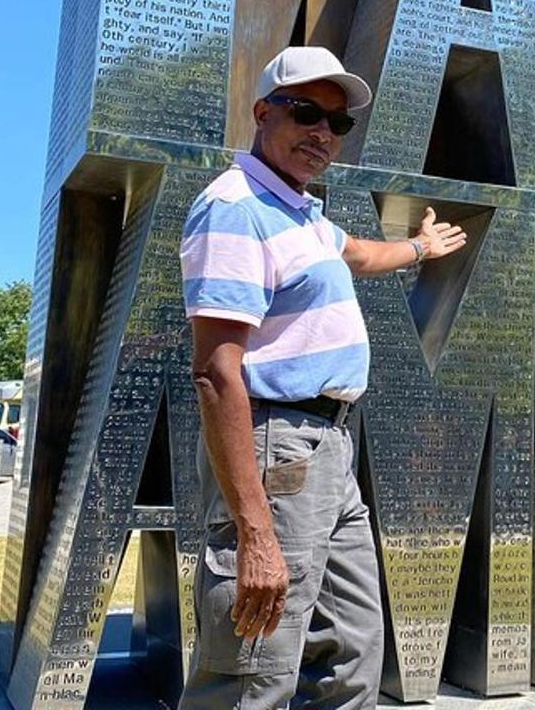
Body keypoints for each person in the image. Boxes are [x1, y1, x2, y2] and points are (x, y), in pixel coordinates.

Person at [178, 46, 467, 710]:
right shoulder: (236, 207)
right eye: (306, 112)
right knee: (255, 668)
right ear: (262, 113)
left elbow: (359, 252)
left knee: (351, 656)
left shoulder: (302, 215)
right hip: (277, 445)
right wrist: (255, 532)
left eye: (338, 124)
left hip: (330, 449)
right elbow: (218, 373)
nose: (323, 135)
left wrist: (422, 248)